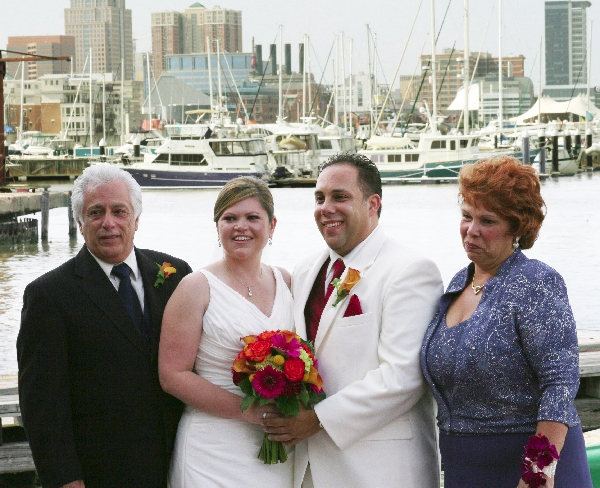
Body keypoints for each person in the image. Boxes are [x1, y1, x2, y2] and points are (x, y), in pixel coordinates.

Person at [264, 153, 444, 488]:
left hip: (379, 471)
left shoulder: (410, 270)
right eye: (320, 198)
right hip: (307, 468)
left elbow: (402, 377)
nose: (326, 208)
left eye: (340, 197)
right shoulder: (305, 270)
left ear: (373, 203)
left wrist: (316, 419)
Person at [420, 156, 592, 488]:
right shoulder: (457, 284)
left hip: (534, 470)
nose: (471, 230)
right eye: (467, 216)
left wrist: (537, 472)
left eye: (488, 221)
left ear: (517, 228)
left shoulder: (537, 282)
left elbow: (559, 385)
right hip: (465, 469)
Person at [17, 164, 192, 488]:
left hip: (179, 463)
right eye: (96, 212)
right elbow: (41, 404)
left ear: (136, 219)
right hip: (101, 471)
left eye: (119, 211)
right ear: (80, 223)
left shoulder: (175, 274)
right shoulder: (49, 295)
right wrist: (66, 479)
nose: (108, 223)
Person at [158, 177, 294, 487]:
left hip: (275, 448)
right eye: (229, 218)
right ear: (217, 227)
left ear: (272, 226)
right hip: (212, 449)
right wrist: (250, 413)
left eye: (252, 217)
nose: (240, 227)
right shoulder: (196, 287)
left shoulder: (287, 281)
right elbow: (172, 375)